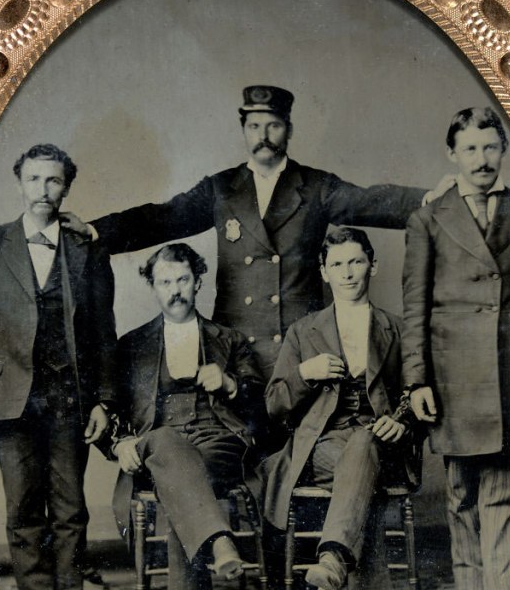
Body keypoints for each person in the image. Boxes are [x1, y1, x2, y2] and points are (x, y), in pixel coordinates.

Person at [63, 85, 449, 374]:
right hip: (235, 346)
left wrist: (427, 198)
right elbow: (162, 217)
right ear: (243, 130)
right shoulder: (220, 188)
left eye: (274, 125)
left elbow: (369, 201)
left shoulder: (315, 186)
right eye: (254, 125)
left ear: (289, 129)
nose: (263, 135)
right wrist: (97, 230)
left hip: (301, 343)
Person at [401, 107, 510, 590]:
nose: (482, 159)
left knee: (503, 485)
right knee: (460, 487)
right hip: (452, 372)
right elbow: (414, 307)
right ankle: (468, 585)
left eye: (490, 147)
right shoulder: (428, 218)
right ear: (452, 155)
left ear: (504, 150)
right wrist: (416, 380)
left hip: (509, 369)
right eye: (470, 149)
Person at [0, 144, 117, 590]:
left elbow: (104, 333)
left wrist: (104, 400)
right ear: (20, 183)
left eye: (54, 181)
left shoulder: (87, 249)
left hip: (71, 394)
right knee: (22, 500)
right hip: (9, 395)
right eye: (35, 180)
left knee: (70, 503)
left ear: (67, 186)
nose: (44, 190)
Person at [263, 227, 417, 590]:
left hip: (382, 442)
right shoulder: (303, 331)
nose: (348, 273)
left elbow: (418, 395)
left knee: (364, 445)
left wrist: (402, 423)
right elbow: (274, 403)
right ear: (324, 272)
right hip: (322, 445)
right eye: (337, 265)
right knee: (358, 462)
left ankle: (333, 558)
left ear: (373, 266)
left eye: (356, 262)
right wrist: (303, 374)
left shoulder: (396, 329)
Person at [110, 243, 264, 590]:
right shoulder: (132, 345)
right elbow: (108, 409)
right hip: (161, 440)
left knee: (181, 478)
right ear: (153, 287)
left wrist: (230, 384)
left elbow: (259, 398)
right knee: (168, 451)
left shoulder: (228, 339)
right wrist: (120, 443)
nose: (174, 290)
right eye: (165, 282)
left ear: (198, 282)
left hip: (218, 437)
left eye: (182, 280)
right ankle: (219, 542)